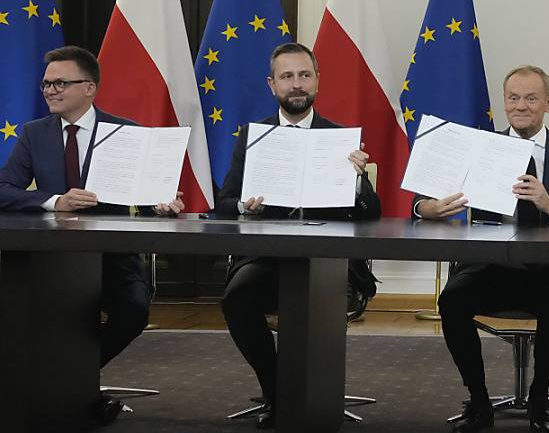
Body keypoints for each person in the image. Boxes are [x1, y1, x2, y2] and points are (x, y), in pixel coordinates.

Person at [415, 65, 549, 433]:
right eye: (513, 98)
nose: (521, 106)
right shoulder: (479, 146)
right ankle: (478, 400)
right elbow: (421, 198)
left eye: (531, 98)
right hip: (488, 267)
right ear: (505, 102)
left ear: (548, 103)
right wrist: (426, 209)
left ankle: (540, 396)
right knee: (452, 300)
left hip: (547, 271)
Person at [0, 45, 184, 425]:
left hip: (112, 255)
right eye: (46, 84)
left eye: (60, 83)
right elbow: (4, 189)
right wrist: (55, 201)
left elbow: (148, 199)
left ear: (89, 88)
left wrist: (163, 203)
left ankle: (66, 379)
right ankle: (68, 386)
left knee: (133, 310)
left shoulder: (126, 133)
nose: (50, 91)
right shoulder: (35, 134)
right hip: (53, 259)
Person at [216, 42, 381, 429]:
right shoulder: (253, 137)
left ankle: (298, 396)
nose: (296, 84)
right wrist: (245, 207)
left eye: (304, 75)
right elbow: (224, 203)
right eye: (287, 76)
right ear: (272, 84)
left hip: (331, 263)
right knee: (237, 301)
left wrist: (359, 180)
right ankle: (278, 392)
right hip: (266, 260)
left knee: (313, 304)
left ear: (317, 81)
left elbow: (371, 215)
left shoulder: (340, 138)